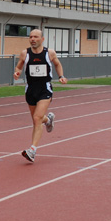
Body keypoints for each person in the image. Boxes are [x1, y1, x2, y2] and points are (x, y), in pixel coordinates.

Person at [13, 29, 68, 163]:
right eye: (31, 37)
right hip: (30, 89)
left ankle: (32, 150)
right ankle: (48, 120)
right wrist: (17, 73)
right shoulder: (25, 53)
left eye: (36, 37)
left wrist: (61, 76)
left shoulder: (50, 53)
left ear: (42, 39)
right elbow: (19, 66)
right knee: (36, 119)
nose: (32, 39)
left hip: (45, 88)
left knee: (37, 118)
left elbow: (57, 64)